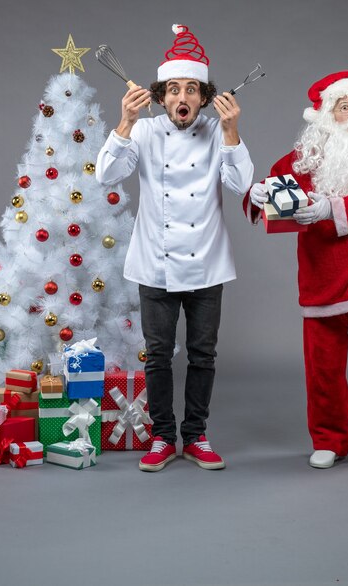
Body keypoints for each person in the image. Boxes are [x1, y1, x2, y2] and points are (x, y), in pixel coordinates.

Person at [96, 24, 254, 471]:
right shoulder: (143, 133)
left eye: (191, 89)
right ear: (160, 96)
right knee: (158, 354)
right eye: (173, 89)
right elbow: (106, 176)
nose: (181, 97)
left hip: (207, 263)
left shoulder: (218, 129)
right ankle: (163, 438)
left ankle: (196, 435)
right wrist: (125, 122)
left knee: (204, 354)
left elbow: (241, 184)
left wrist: (231, 130)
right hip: (154, 263)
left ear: (204, 97)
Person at [245, 71, 348, 469]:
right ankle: (330, 440)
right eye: (344, 107)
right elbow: (273, 200)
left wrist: (331, 209)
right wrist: (258, 193)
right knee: (324, 369)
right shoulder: (307, 157)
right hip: (324, 276)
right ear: (327, 115)